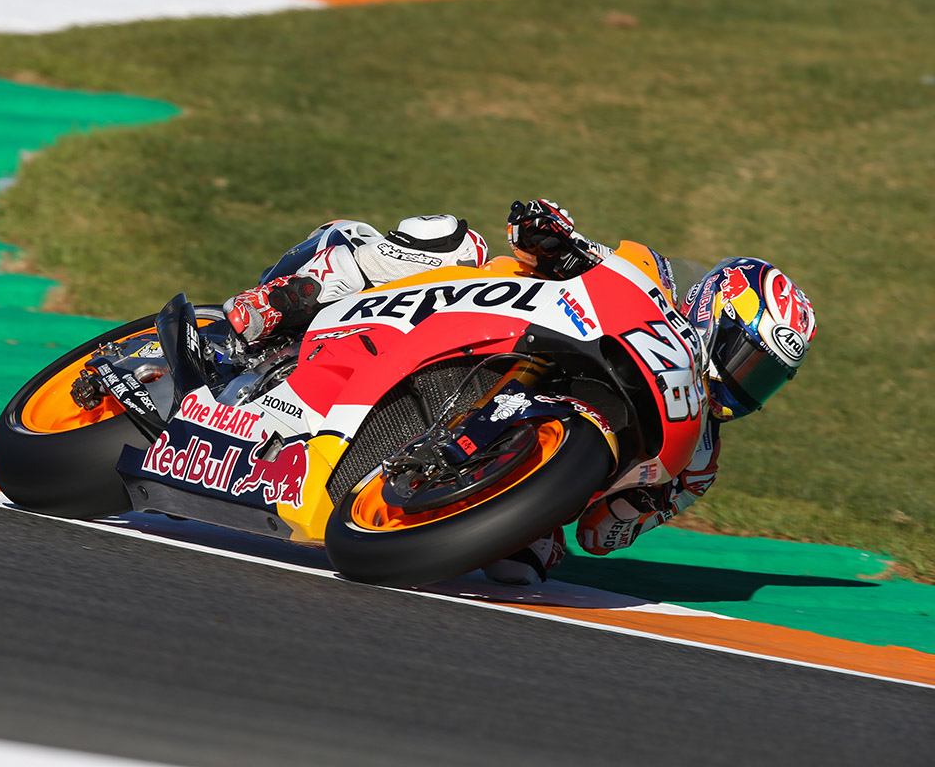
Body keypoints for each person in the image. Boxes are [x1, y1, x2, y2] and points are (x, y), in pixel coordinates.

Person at [223, 201, 817, 584]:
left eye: (763, 377)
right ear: (713, 309)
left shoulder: (699, 461)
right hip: (499, 329)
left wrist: (638, 504)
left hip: (531, 464)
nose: (743, 381)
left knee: (524, 566)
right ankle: (289, 299)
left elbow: (599, 536)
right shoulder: (651, 279)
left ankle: (417, 482)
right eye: (746, 357)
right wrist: (552, 235)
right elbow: (554, 250)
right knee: (451, 242)